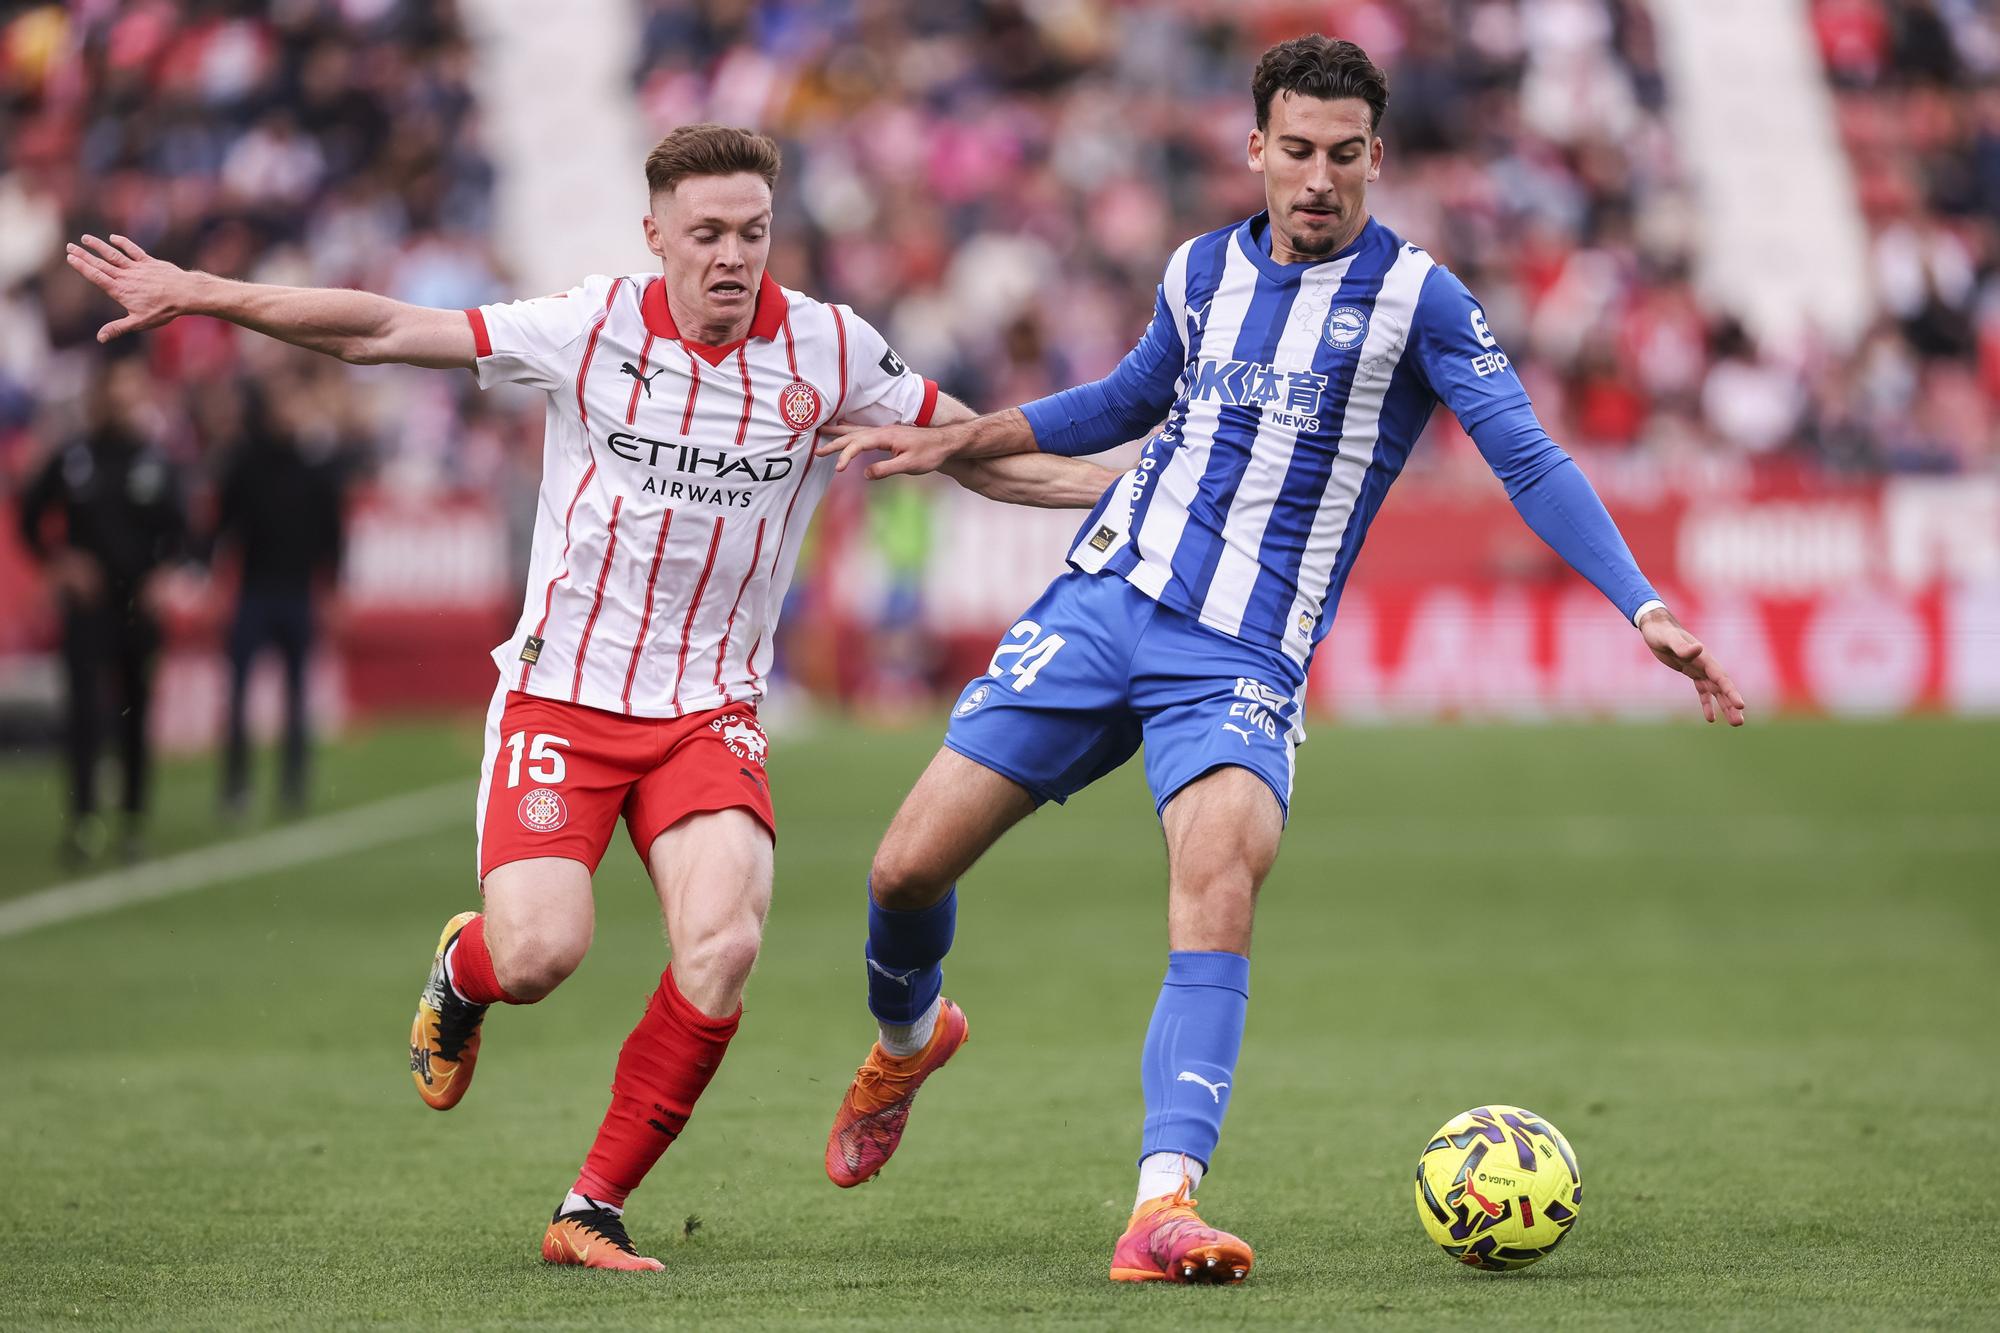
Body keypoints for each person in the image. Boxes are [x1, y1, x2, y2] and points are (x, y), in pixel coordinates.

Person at [66, 122, 1115, 1271]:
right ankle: (463, 971)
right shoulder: (589, 326)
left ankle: (590, 1205)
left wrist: (1137, 482)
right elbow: (378, 329)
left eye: (753, 233)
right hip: (562, 697)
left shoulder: (830, 348)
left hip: (708, 706)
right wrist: (203, 292)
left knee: (720, 944)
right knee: (537, 958)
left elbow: (976, 448)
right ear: (654, 232)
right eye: (706, 233)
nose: (731, 257)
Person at [815, 35, 1748, 1287]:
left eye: (1344, 154)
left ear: (1378, 154)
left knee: (1216, 887)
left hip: (1241, 653)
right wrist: (970, 436)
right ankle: (908, 1037)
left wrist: (1639, 606)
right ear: (1254, 149)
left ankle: (1161, 1204)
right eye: (1295, 151)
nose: (1318, 177)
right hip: (1103, 602)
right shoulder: (1200, 267)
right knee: (902, 868)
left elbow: (1526, 457)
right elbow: (1129, 395)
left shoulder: (1418, 298)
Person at [17, 356, 189, 864]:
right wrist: (60, 563)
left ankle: (134, 818)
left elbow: (181, 531)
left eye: (132, 388)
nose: (123, 398)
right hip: (88, 608)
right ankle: (84, 819)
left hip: (138, 606)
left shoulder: (156, 459)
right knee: (84, 715)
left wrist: (164, 573)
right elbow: (29, 518)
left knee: (135, 711)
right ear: (100, 395)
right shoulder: (74, 456)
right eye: (116, 388)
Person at [212, 375, 349, 817]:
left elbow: (333, 534)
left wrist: (333, 588)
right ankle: (236, 787)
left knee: (296, 696)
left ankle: (293, 785)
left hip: (297, 593)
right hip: (253, 592)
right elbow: (222, 526)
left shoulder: (316, 467)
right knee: (238, 696)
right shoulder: (245, 462)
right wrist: (212, 579)